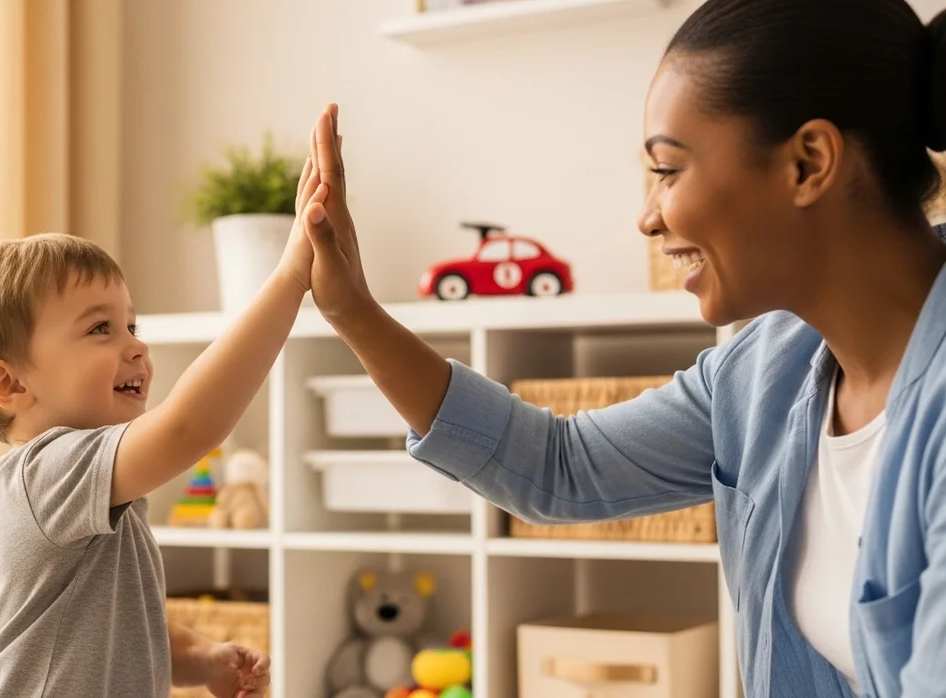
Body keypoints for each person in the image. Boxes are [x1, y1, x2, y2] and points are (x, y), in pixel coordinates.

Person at [296, 0, 946, 695]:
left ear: (807, 163)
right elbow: (560, 467)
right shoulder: (768, 369)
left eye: (667, 171)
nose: (648, 216)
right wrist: (352, 311)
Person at [0, 151, 328, 696]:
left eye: (131, 324)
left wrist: (203, 656)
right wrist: (288, 280)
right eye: (100, 329)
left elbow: (127, 628)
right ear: (11, 385)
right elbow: (190, 427)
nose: (136, 345)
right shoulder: (45, 473)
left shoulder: (97, 485)